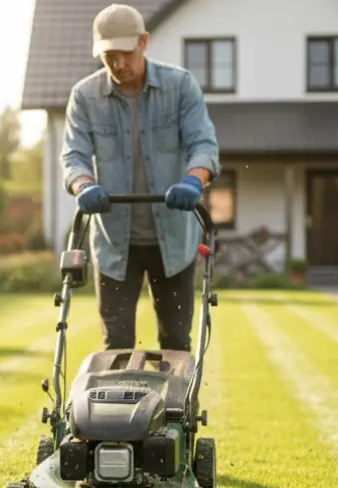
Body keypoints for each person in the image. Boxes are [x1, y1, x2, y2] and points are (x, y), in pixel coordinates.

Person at [61, 3, 220, 352]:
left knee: (175, 342)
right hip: (115, 243)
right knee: (116, 346)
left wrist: (193, 181)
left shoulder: (180, 86)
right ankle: (118, 408)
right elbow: (73, 155)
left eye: (125, 53)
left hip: (174, 242)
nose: (118, 64)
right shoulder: (85, 96)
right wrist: (84, 185)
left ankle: (173, 408)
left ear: (144, 42)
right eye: (109, 56)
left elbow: (203, 145)